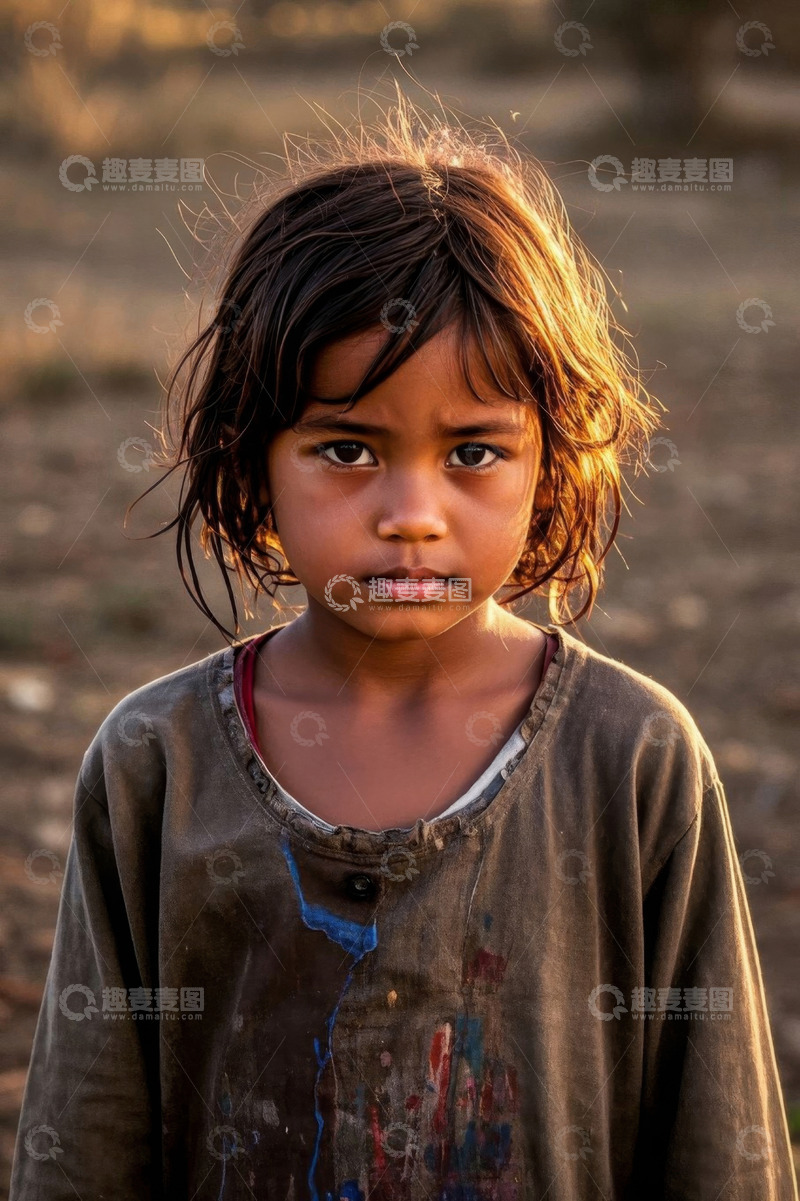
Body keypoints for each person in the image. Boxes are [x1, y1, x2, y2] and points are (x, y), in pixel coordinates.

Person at [9, 93, 797, 1200]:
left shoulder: (631, 761)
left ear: (549, 463)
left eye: (473, 451)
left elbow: (722, 1146)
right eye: (345, 447)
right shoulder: (159, 763)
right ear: (250, 459)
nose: (411, 512)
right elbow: (84, 1135)